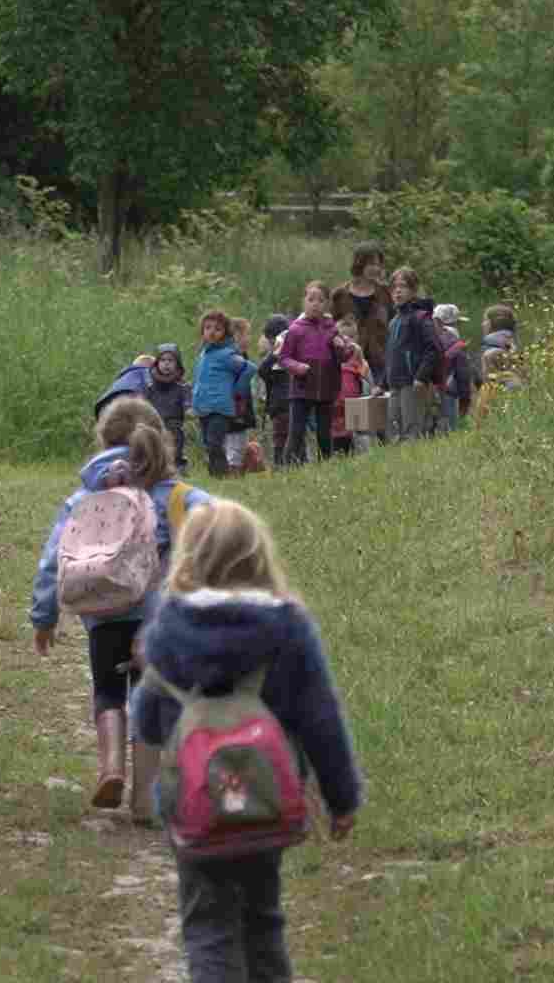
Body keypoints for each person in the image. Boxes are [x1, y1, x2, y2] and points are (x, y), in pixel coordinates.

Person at [131, 499, 363, 983]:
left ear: (189, 559)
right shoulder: (287, 627)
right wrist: (342, 799)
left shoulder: (170, 626)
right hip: (264, 800)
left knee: (207, 924)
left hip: (193, 805)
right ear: (259, 557)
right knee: (263, 918)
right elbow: (320, 719)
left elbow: (148, 716)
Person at [30, 397, 212, 810]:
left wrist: (45, 616)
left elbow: (52, 560)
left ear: (103, 440)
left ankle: (111, 768)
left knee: (108, 693)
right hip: (159, 620)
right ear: (159, 441)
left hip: (104, 616)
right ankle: (144, 800)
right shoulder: (178, 496)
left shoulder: (84, 498)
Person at [279, 282, 354, 465]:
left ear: (327, 304)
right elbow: (283, 358)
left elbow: (343, 358)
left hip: (326, 389)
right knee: (296, 431)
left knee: (324, 432)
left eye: (320, 300)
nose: (315, 304)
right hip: (302, 389)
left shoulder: (332, 329)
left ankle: (325, 465)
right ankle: (288, 466)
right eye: (311, 299)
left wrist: (343, 348)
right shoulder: (295, 330)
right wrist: (298, 367)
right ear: (304, 302)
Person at [382, 267, 442, 443]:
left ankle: (415, 464)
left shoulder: (420, 317)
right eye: (394, 287)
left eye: (403, 286)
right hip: (394, 383)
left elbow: (433, 348)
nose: (398, 291)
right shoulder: (394, 322)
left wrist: (421, 377)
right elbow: (391, 356)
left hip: (412, 382)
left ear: (414, 290)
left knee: (411, 428)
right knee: (393, 426)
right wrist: (382, 383)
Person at [192, 310, 255, 478]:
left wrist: (237, 390)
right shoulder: (204, 353)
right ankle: (215, 476)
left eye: (217, 329)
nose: (211, 332)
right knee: (208, 444)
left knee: (215, 443)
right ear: (202, 331)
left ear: (225, 332)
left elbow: (249, 368)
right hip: (204, 407)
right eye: (207, 328)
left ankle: (222, 476)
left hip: (220, 407)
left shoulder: (227, 354)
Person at [330, 242, 391, 389]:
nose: (376, 268)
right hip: (349, 363)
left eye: (378, 264)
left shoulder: (386, 293)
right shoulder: (339, 295)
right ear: (359, 263)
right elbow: (329, 328)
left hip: (380, 363)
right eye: (371, 264)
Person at [142, 343, 193, 473]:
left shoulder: (182, 386)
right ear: (157, 363)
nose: (166, 364)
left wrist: (189, 408)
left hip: (174, 424)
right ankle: (153, 468)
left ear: (177, 363)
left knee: (175, 446)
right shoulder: (150, 386)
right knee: (152, 446)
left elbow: (188, 401)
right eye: (163, 360)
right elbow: (143, 403)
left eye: (170, 360)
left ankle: (178, 467)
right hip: (153, 423)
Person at [475, 303, 523, 424]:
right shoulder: (513, 342)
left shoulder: (490, 344)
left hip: (494, 396)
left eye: (485, 320)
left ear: (492, 323)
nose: (482, 324)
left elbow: (487, 378)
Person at [431, 303, 475, 433]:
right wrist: (465, 400)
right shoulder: (456, 344)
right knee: (450, 431)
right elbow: (463, 375)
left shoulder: (429, 340)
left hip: (425, 391)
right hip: (449, 392)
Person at [329, 316, 370, 456]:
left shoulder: (360, 359)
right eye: (343, 336)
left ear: (357, 337)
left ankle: (363, 458)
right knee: (337, 436)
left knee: (360, 433)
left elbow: (366, 382)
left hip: (356, 402)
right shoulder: (332, 357)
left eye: (351, 336)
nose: (348, 341)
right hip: (335, 404)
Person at [256, 314, 292, 467]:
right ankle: (284, 465)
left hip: (285, 403)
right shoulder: (277, 355)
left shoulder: (287, 354)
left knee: (285, 437)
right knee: (283, 437)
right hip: (280, 405)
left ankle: (285, 465)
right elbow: (263, 372)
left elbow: (263, 371)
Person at [223, 318, 256, 475]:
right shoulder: (232, 361)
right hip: (234, 413)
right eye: (246, 335)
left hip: (240, 412)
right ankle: (232, 476)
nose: (248, 339)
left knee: (238, 448)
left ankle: (235, 473)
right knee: (234, 449)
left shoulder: (243, 358)